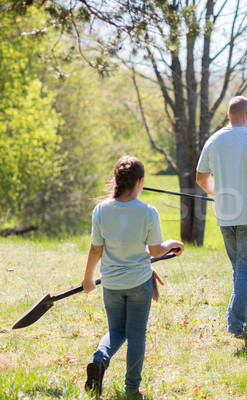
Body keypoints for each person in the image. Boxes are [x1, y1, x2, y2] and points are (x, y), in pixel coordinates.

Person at [82, 155, 184, 398]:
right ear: (140, 182)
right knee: (136, 334)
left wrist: (88, 278)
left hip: (112, 283)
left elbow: (96, 248)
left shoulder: (101, 210)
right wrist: (173, 243)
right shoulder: (147, 211)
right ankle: (131, 389)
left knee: (116, 330)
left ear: (116, 181)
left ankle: (100, 359)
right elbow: (157, 250)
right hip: (139, 283)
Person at [196, 96, 247, 337]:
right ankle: (234, 322)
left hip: (225, 212)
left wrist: (218, 193)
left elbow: (201, 178)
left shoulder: (214, 140)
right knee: (245, 271)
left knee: (239, 269)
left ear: (229, 115)